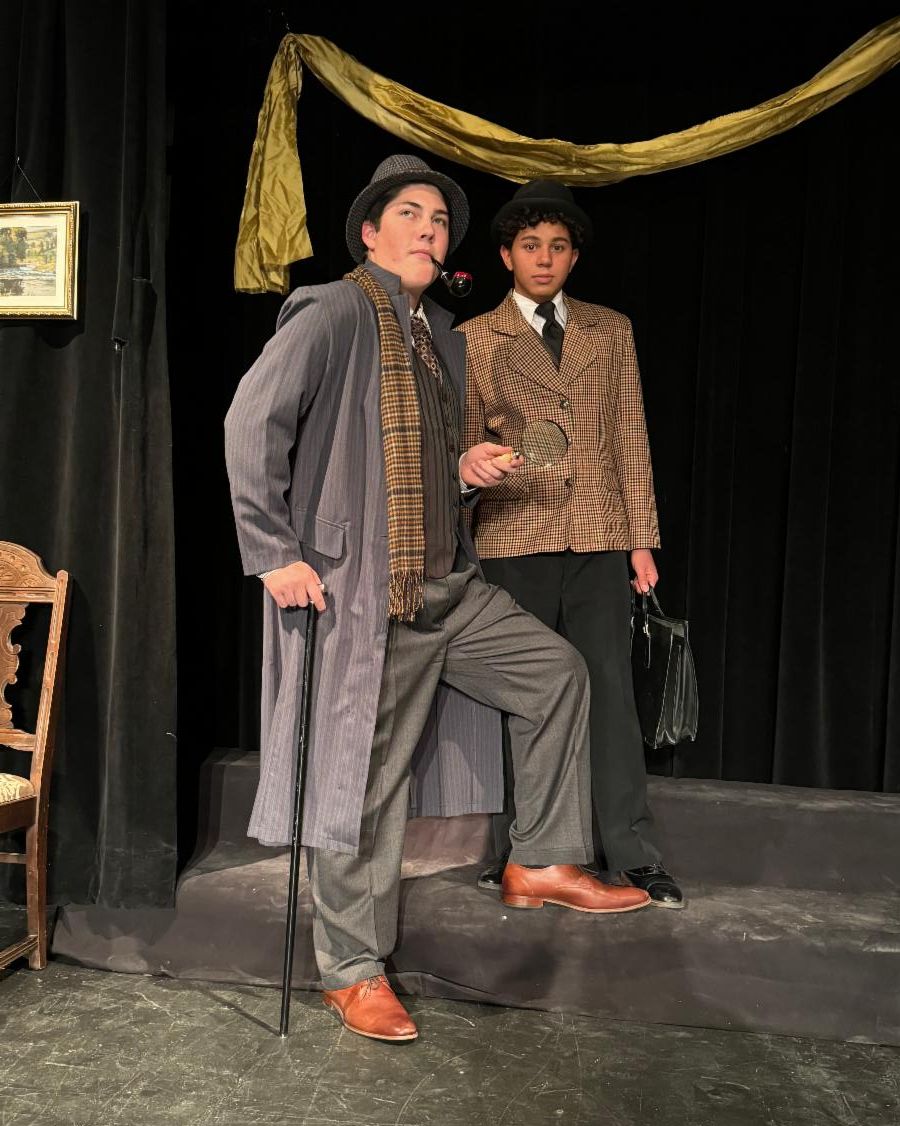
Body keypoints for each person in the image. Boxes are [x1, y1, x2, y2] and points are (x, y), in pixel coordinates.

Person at [224, 155, 650, 1045]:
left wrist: (462, 468)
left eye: (440, 219)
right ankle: (351, 969)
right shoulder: (334, 311)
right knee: (366, 783)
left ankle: (540, 860)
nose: (429, 229)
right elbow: (251, 422)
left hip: (445, 585)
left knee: (556, 674)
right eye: (410, 215)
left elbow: (411, 463)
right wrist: (273, 554)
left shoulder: (434, 335)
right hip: (367, 594)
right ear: (370, 233)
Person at [459, 179, 683, 909]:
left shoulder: (608, 331)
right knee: (524, 696)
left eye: (557, 246)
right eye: (530, 246)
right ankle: (523, 851)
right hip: (513, 534)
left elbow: (630, 437)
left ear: (574, 256)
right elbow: (462, 441)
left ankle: (632, 852)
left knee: (609, 692)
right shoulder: (475, 338)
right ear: (506, 255)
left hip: (597, 534)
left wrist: (640, 539)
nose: (544, 258)